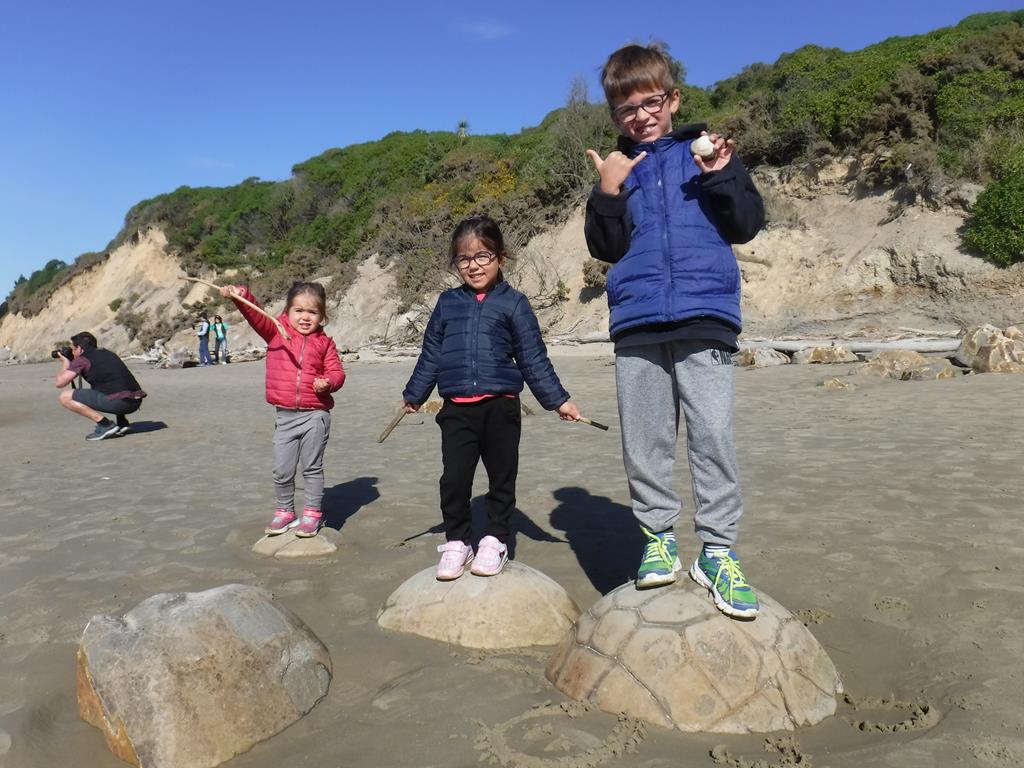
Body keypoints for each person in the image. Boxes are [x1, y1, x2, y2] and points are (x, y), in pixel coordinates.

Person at [584, 44, 765, 618]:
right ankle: (657, 538)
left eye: (651, 102)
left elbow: (746, 225)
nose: (640, 115)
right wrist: (608, 191)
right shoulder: (617, 169)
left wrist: (720, 176)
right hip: (637, 319)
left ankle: (717, 551)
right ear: (614, 116)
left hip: (705, 312)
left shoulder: (705, 155)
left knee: (712, 435)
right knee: (645, 439)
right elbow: (604, 248)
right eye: (626, 109)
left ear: (673, 99)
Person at [402, 215, 582, 581]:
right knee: (454, 480)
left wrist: (558, 400)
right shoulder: (447, 303)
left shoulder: (514, 303)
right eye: (464, 259)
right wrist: (415, 393)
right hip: (457, 411)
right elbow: (432, 353)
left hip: (501, 408)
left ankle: (495, 539)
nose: (473, 266)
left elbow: (532, 357)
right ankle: (457, 541)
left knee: (501, 477)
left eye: (483, 256)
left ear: (500, 257)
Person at [220, 281, 345, 537]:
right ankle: (285, 512)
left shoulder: (325, 343)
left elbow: (337, 372)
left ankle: (311, 514)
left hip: (315, 415)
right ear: (287, 311)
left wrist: (328, 382)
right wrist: (239, 295)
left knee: (311, 468)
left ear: (323, 316)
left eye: (312, 312)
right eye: (298, 310)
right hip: (284, 416)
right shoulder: (275, 331)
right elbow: (254, 312)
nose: (305, 317)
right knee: (282, 469)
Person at [54, 331, 146, 441]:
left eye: (73, 349)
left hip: (120, 403)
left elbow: (60, 383)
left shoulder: (83, 359)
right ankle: (122, 423)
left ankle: (105, 425)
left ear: (79, 348)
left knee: (64, 397)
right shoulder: (108, 353)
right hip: (135, 402)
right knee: (108, 386)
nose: (72, 352)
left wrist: (66, 361)